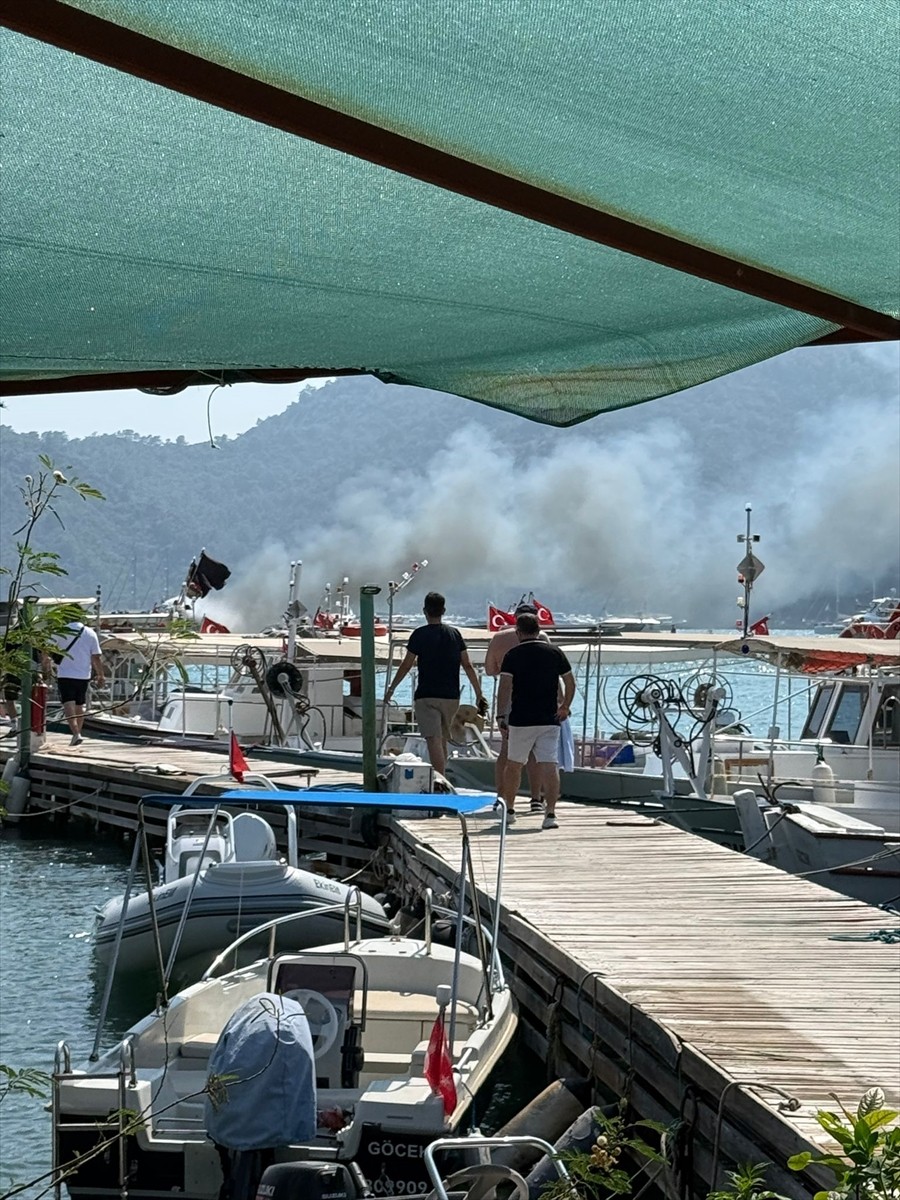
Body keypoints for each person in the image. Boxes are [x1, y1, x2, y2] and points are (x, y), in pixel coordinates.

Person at [384, 591, 485, 776]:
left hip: (427, 695)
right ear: (443, 611)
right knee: (442, 740)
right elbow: (467, 665)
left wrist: (391, 689)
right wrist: (479, 693)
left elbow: (406, 665)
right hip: (451, 697)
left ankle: (439, 780)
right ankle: (442, 776)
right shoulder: (454, 634)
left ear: (424, 611)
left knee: (433, 740)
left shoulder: (419, 634)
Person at [496, 611, 575, 829]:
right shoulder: (555, 652)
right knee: (549, 764)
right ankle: (550, 814)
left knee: (514, 765)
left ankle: (509, 810)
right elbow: (570, 682)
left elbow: (505, 688)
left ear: (518, 632)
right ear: (539, 631)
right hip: (549, 718)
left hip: (521, 719)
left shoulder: (513, 655)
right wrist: (565, 706)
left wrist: (501, 715)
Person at [484, 602, 551, 812]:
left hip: (511, 699)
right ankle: (536, 798)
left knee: (507, 752)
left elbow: (490, 670)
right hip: (538, 698)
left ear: (515, 619)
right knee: (535, 752)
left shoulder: (499, 638)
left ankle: (502, 797)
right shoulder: (543, 639)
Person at [43, 618, 105, 746]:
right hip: (83, 675)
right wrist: (101, 675)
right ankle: (77, 733)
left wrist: (46, 665)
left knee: (68, 703)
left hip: (65, 674)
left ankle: (76, 733)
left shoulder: (61, 631)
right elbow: (96, 657)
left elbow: (45, 648)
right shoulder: (90, 633)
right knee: (79, 705)